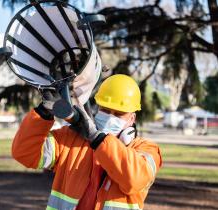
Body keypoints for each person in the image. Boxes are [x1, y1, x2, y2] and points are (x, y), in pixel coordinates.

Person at [12, 74, 162, 210]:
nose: (110, 117)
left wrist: (97, 138)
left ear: (132, 119)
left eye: (119, 114)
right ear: (98, 108)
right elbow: (24, 153)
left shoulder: (147, 149)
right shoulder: (69, 138)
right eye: (106, 110)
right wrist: (43, 113)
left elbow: (135, 180)